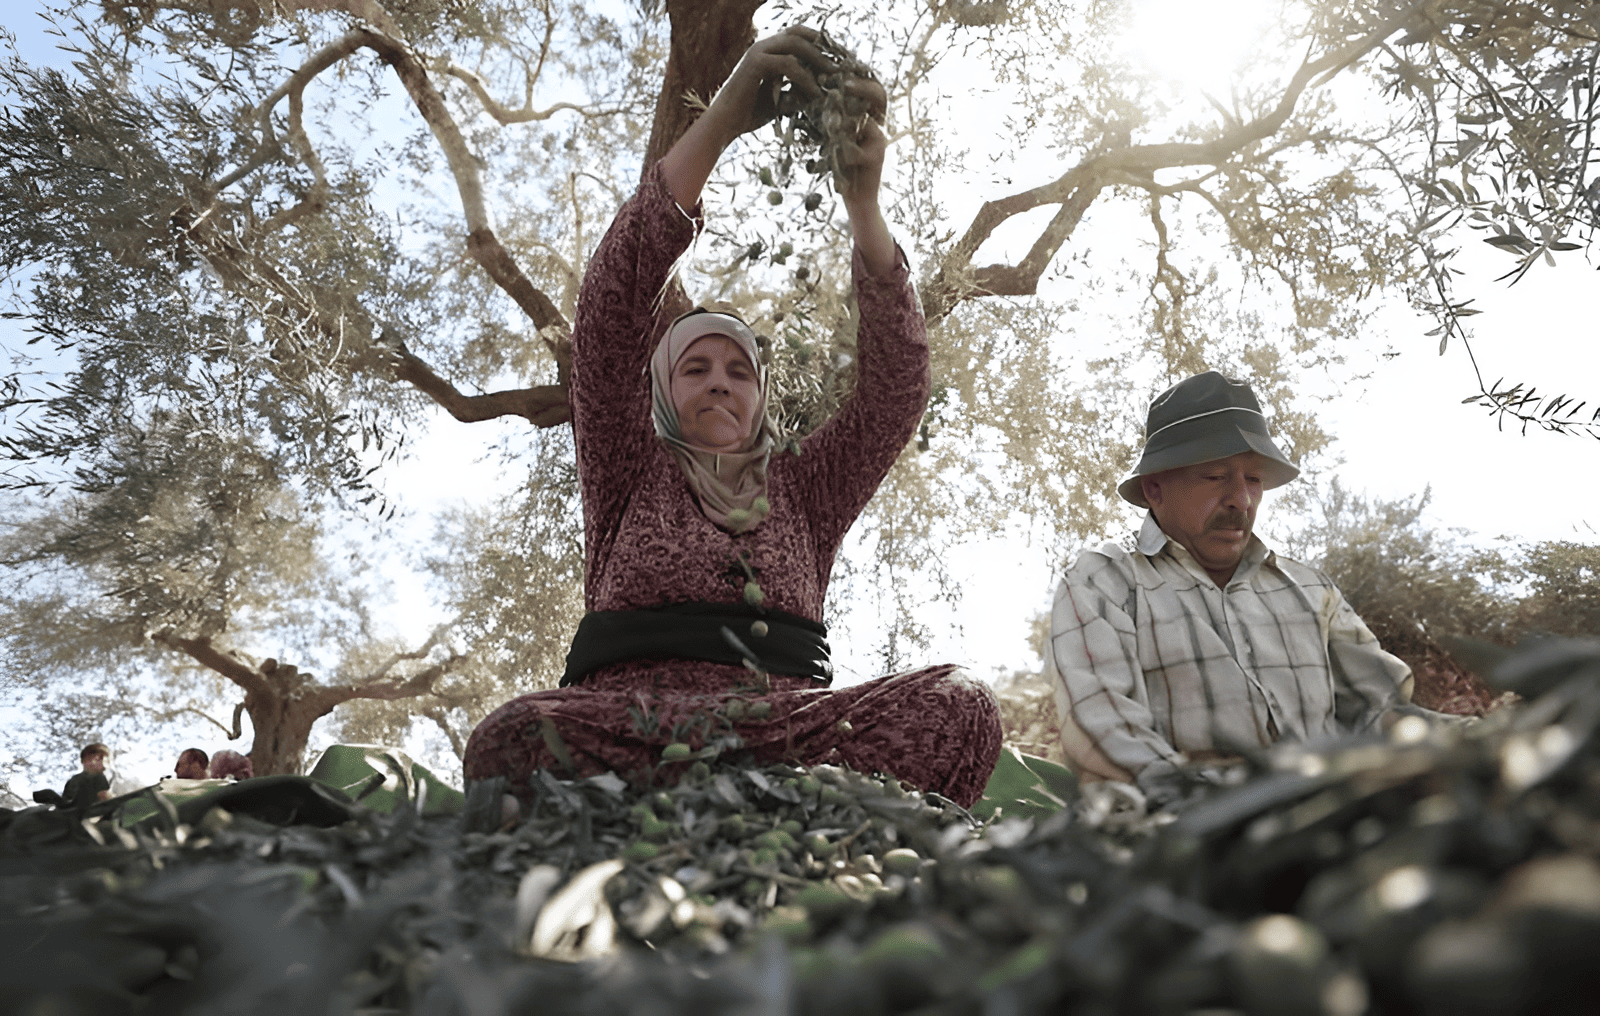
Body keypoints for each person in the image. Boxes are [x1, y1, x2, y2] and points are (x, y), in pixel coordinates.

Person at [464, 27, 1001, 808]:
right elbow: (611, 308)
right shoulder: (627, 466)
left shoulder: (807, 491)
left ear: (761, 400)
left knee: (961, 707)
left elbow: (895, 392)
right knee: (511, 736)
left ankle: (748, 815)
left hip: (787, 735)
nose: (719, 382)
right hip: (633, 732)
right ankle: (750, 817)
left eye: (738, 369)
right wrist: (722, 118)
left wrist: (863, 202)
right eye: (694, 367)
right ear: (659, 395)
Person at [1047, 371, 1420, 789]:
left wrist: (1472, 741)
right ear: (1155, 489)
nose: (1240, 499)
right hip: (1185, 838)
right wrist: (1222, 812)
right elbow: (1104, 733)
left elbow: (1382, 710)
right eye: (1214, 476)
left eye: (1254, 479)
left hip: (1331, 826)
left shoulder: (1311, 590)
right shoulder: (1105, 581)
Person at [60, 742, 113, 809]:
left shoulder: (72, 780)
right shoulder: (99, 777)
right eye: (99, 758)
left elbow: (64, 803)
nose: (104, 765)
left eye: (106, 760)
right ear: (86, 760)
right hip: (90, 814)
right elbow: (105, 798)